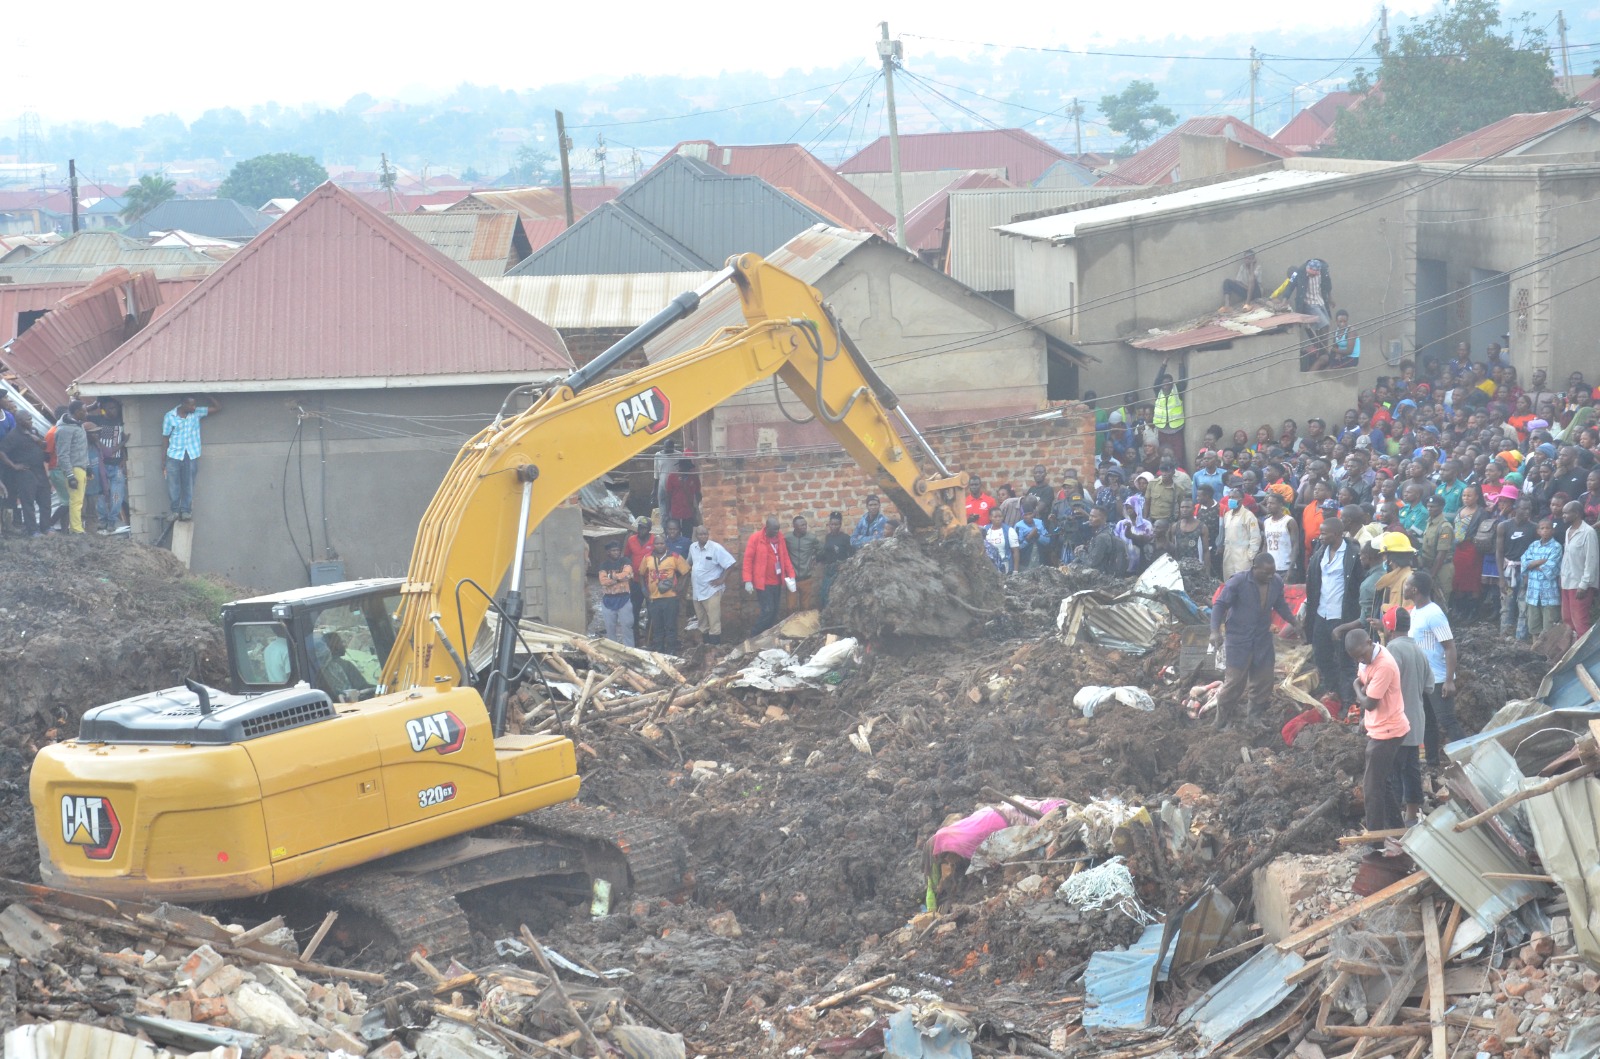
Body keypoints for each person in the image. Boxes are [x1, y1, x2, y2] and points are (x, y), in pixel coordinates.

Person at [1210, 553, 1295, 730]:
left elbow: (1280, 604)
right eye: (1266, 573)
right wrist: (1214, 631)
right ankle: (1221, 719)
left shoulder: (1276, 582)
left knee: (1264, 679)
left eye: (1273, 573)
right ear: (1254, 568)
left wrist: (1295, 623)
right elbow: (1219, 605)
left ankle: (1254, 717)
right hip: (1239, 638)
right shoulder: (1238, 582)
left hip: (1262, 637)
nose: (1270, 576)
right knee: (1235, 681)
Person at [1346, 628, 1409, 835]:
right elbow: (1364, 686)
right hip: (1380, 728)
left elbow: (1370, 702)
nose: (1361, 661)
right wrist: (1361, 690)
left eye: (1362, 655)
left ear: (1369, 641)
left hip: (1388, 731)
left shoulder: (1384, 665)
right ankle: (1398, 830)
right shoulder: (1366, 659)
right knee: (1383, 782)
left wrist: (1357, 688)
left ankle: (1374, 843)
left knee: (1372, 789)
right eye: (1357, 658)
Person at [1404, 571, 1464, 768]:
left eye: (1406, 585)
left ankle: (1467, 759)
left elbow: (1450, 647)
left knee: (1447, 721)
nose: (1404, 588)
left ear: (1414, 589)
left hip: (1438, 679)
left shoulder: (1434, 613)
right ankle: (1432, 762)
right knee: (1427, 723)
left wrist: (1449, 680)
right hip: (1423, 679)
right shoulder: (1414, 612)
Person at [1381, 607, 1431, 827]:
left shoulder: (1391, 649)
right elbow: (1429, 686)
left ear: (1389, 626)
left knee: (1392, 771)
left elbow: (1384, 685)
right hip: (1416, 719)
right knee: (1411, 768)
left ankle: (1395, 822)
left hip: (1395, 720)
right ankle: (1411, 816)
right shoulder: (1419, 650)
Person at [1305, 515, 1360, 707]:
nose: (1320, 536)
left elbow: (1358, 584)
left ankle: (1348, 700)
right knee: (1321, 655)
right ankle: (1333, 690)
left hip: (1342, 615)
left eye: (1324, 533)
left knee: (1345, 660)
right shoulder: (1320, 552)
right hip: (1322, 613)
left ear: (1336, 534)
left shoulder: (1353, 554)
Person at [161, 394, 219, 521]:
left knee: (189, 484)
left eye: (195, 404)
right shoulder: (170, 416)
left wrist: (208, 395)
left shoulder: (196, 413)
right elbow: (165, 439)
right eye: (191, 404)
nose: (194, 407)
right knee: (173, 485)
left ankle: (186, 511)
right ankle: (175, 511)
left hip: (191, 454)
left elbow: (217, 407)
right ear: (183, 404)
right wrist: (163, 461)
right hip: (174, 455)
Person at [743, 516, 797, 635]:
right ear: (767, 528)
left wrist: (791, 574)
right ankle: (754, 635)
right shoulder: (756, 538)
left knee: (775, 611)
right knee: (768, 610)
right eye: (774, 530)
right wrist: (748, 580)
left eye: (778, 529)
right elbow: (748, 560)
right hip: (763, 583)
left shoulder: (780, 538)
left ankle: (767, 635)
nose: (777, 532)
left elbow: (785, 557)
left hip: (777, 582)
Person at [639, 536, 690, 653]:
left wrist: (680, 587)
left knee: (671, 626)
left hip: (670, 597)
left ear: (665, 544)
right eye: (657, 543)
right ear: (654, 545)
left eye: (662, 543)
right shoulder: (647, 557)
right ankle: (659, 650)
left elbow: (686, 571)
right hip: (654, 598)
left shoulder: (674, 556)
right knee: (657, 627)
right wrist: (643, 589)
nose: (660, 545)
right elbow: (641, 573)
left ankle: (671, 650)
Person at [687, 524, 737, 645]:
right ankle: (705, 648)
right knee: (702, 621)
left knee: (714, 621)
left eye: (705, 534)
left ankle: (715, 648)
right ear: (696, 536)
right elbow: (688, 563)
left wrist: (721, 579)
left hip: (711, 590)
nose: (703, 536)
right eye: (700, 534)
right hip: (697, 591)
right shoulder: (692, 547)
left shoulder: (715, 548)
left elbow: (731, 564)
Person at [0, 420, 51, 537]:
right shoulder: (13, 435)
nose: (30, 421)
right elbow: (2, 452)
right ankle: (33, 530)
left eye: (30, 419)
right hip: (25, 472)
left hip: (40, 470)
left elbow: (44, 446)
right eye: (27, 420)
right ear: (19, 421)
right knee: (28, 502)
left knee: (45, 499)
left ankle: (46, 527)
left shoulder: (33, 431)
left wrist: (39, 441)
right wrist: (13, 465)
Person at [1495, 493, 1536, 638]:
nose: (1527, 512)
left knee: (1523, 607)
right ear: (1516, 509)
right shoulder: (1504, 526)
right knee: (1506, 607)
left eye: (1529, 509)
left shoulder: (1534, 528)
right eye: (1524, 509)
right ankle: (1504, 637)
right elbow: (1499, 552)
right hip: (1508, 571)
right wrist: (1500, 577)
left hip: (1525, 572)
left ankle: (1520, 640)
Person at [86, 397, 128, 534]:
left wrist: (125, 459)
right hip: (100, 466)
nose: (113, 411)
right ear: (103, 408)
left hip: (117, 466)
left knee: (117, 495)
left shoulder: (122, 419)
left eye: (115, 408)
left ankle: (112, 521)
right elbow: (77, 414)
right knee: (101, 497)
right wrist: (93, 406)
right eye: (109, 408)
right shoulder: (97, 420)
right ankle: (103, 520)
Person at [1520, 518, 1564, 641]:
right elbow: (1524, 562)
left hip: (1549, 595)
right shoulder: (1533, 545)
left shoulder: (1556, 547)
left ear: (1553, 531)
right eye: (1542, 528)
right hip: (1533, 594)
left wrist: (1532, 565)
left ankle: (1548, 658)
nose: (1545, 531)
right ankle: (1536, 655)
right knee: (1534, 627)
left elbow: (1551, 567)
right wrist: (1540, 561)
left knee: (1549, 630)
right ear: (1538, 531)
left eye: (1547, 528)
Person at [50, 402, 90, 535]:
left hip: (80, 466)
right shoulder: (65, 429)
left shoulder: (78, 425)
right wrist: (70, 475)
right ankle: (76, 529)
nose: (86, 413)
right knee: (76, 501)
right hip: (73, 468)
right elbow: (63, 454)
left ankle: (76, 528)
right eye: (84, 411)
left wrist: (87, 466)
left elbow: (82, 449)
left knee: (78, 500)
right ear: (77, 412)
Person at [1561, 500, 1599, 637]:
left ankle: (1584, 656)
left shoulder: (1588, 533)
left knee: (1581, 623)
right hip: (1567, 582)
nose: (1563, 515)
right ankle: (1571, 655)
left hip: (1580, 585)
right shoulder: (1568, 531)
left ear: (1576, 514)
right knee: (1568, 621)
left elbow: (1592, 560)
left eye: (1566, 513)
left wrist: (1584, 584)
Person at [597, 540, 636, 647]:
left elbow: (628, 574)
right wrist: (620, 577)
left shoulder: (625, 561)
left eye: (618, 550)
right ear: (608, 552)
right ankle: (613, 650)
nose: (616, 552)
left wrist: (612, 577)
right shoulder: (604, 565)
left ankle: (630, 650)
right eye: (613, 550)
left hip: (624, 599)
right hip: (608, 600)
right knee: (610, 628)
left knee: (627, 626)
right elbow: (603, 581)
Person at [1219, 488, 1262, 581]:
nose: (1230, 499)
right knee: (1229, 583)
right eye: (1229, 497)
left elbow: (1255, 537)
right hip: (1228, 556)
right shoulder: (1227, 515)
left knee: (1243, 583)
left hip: (1243, 557)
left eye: (1234, 497)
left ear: (1241, 499)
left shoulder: (1248, 515)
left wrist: (1250, 556)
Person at [623, 518, 656, 637]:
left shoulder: (655, 540)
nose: (641, 530)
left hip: (651, 582)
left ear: (649, 529)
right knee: (634, 608)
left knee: (651, 610)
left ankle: (649, 635)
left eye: (644, 528)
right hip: (635, 581)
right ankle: (635, 634)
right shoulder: (631, 540)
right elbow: (626, 556)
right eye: (640, 527)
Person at [319, 632, 371, 701]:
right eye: (340, 642)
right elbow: (363, 689)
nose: (344, 645)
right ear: (334, 645)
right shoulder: (345, 666)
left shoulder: (320, 668)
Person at [785, 515, 822, 612]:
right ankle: (792, 626)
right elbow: (781, 551)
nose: (804, 527)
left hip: (806, 578)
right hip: (792, 579)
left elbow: (821, 550)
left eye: (805, 525)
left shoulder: (811, 538)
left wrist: (815, 558)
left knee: (805, 608)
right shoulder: (787, 538)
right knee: (790, 607)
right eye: (801, 525)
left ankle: (804, 626)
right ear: (794, 526)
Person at [818, 512, 854, 609]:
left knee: (837, 596)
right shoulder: (828, 537)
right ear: (829, 524)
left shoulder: (845, 538)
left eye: (836, 524)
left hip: (839, 571)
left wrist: (845, 567)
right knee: (825, 594)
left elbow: (851, 555)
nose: (834, 527)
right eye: (832, 524)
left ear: (840, 524)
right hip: (828, 570)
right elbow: (826, 553)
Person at [1079, 505, 1127, 576]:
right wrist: (1085, 548)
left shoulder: (1102, 537)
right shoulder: (1104, 532)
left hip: (1102, 576)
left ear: (1103, 519)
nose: (1090, 519)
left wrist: (1080, 552)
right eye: (1090, 516)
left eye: (1094, 517)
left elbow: (1092, 562)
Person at [1152, 361, 1186, 459]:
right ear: (1161, 384)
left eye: (1169, 382)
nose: (1166, 383)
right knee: (1163, 453)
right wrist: (1164, 364)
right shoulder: (1158, 391)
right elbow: (1157, 380)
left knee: (1178, 454)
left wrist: (1181, 363)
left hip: (1176, 429)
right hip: (1162, 429)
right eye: (1164, 382)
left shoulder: (1177, 390)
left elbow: (1183, 379)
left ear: (1172, 383)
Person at [1259, 493, 1297, 578]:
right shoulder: (1266, 522)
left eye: (1272, 503)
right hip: (1270, 567)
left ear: (1281, 505)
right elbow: (1266, 544)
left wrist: (1291, 567)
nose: (1268, 505)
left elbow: (1295, 545)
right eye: (1268, 503)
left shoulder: (1289, 521)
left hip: (1285, 567)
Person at [662, 457, 701, 529]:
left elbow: (698, 493)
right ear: (680, 467)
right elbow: (668, 495)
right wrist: (667, 512)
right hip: (675, 510)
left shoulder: (694, 477)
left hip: (688, 511)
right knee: (675, 532)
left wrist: (696, 508)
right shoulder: (672, 476)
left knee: (688, 533)